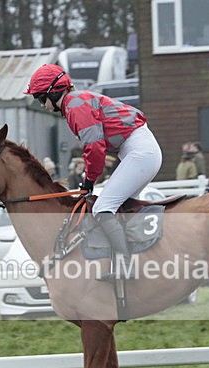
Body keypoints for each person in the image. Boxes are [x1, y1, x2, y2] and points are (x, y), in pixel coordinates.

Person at [25, 64, 162, 280]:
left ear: (53, 92)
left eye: (41, 98)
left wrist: (88, 181)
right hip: (138, 150)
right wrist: (89, 179)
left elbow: (95, 148)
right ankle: (136, 259)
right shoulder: (76, 102)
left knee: (103, 208)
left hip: (139, 152)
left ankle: (125, 266)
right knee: (116, 208)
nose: (42, 105)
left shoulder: (74, 105)